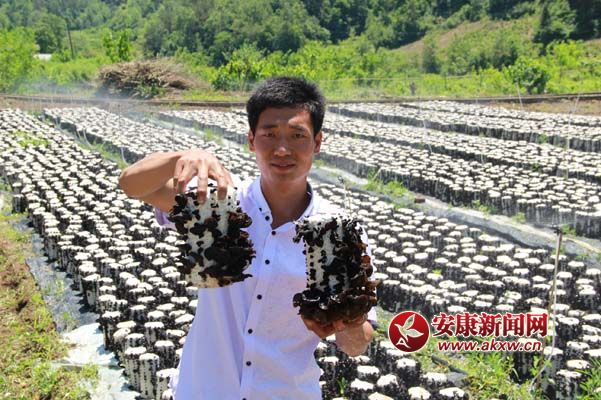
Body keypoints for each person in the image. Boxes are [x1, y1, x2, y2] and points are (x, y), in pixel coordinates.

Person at [118, 77, 376, 399]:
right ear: (251, 140)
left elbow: (355, 345)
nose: (282, 149)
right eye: (270, 134)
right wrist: (181, 158)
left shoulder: (334, 234)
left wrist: (348, 319)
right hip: (204, 391)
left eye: (297, 135)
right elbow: (131, 185)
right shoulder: (219, 207)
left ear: (317, 142)